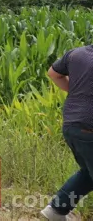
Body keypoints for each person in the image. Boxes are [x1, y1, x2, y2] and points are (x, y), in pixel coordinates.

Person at [42, 45, 93, 219]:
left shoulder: (76, 54)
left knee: (88, 173)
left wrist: (78, 91)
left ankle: (56, 210)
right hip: (89, 128)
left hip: (71, 125)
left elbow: (53, 73)